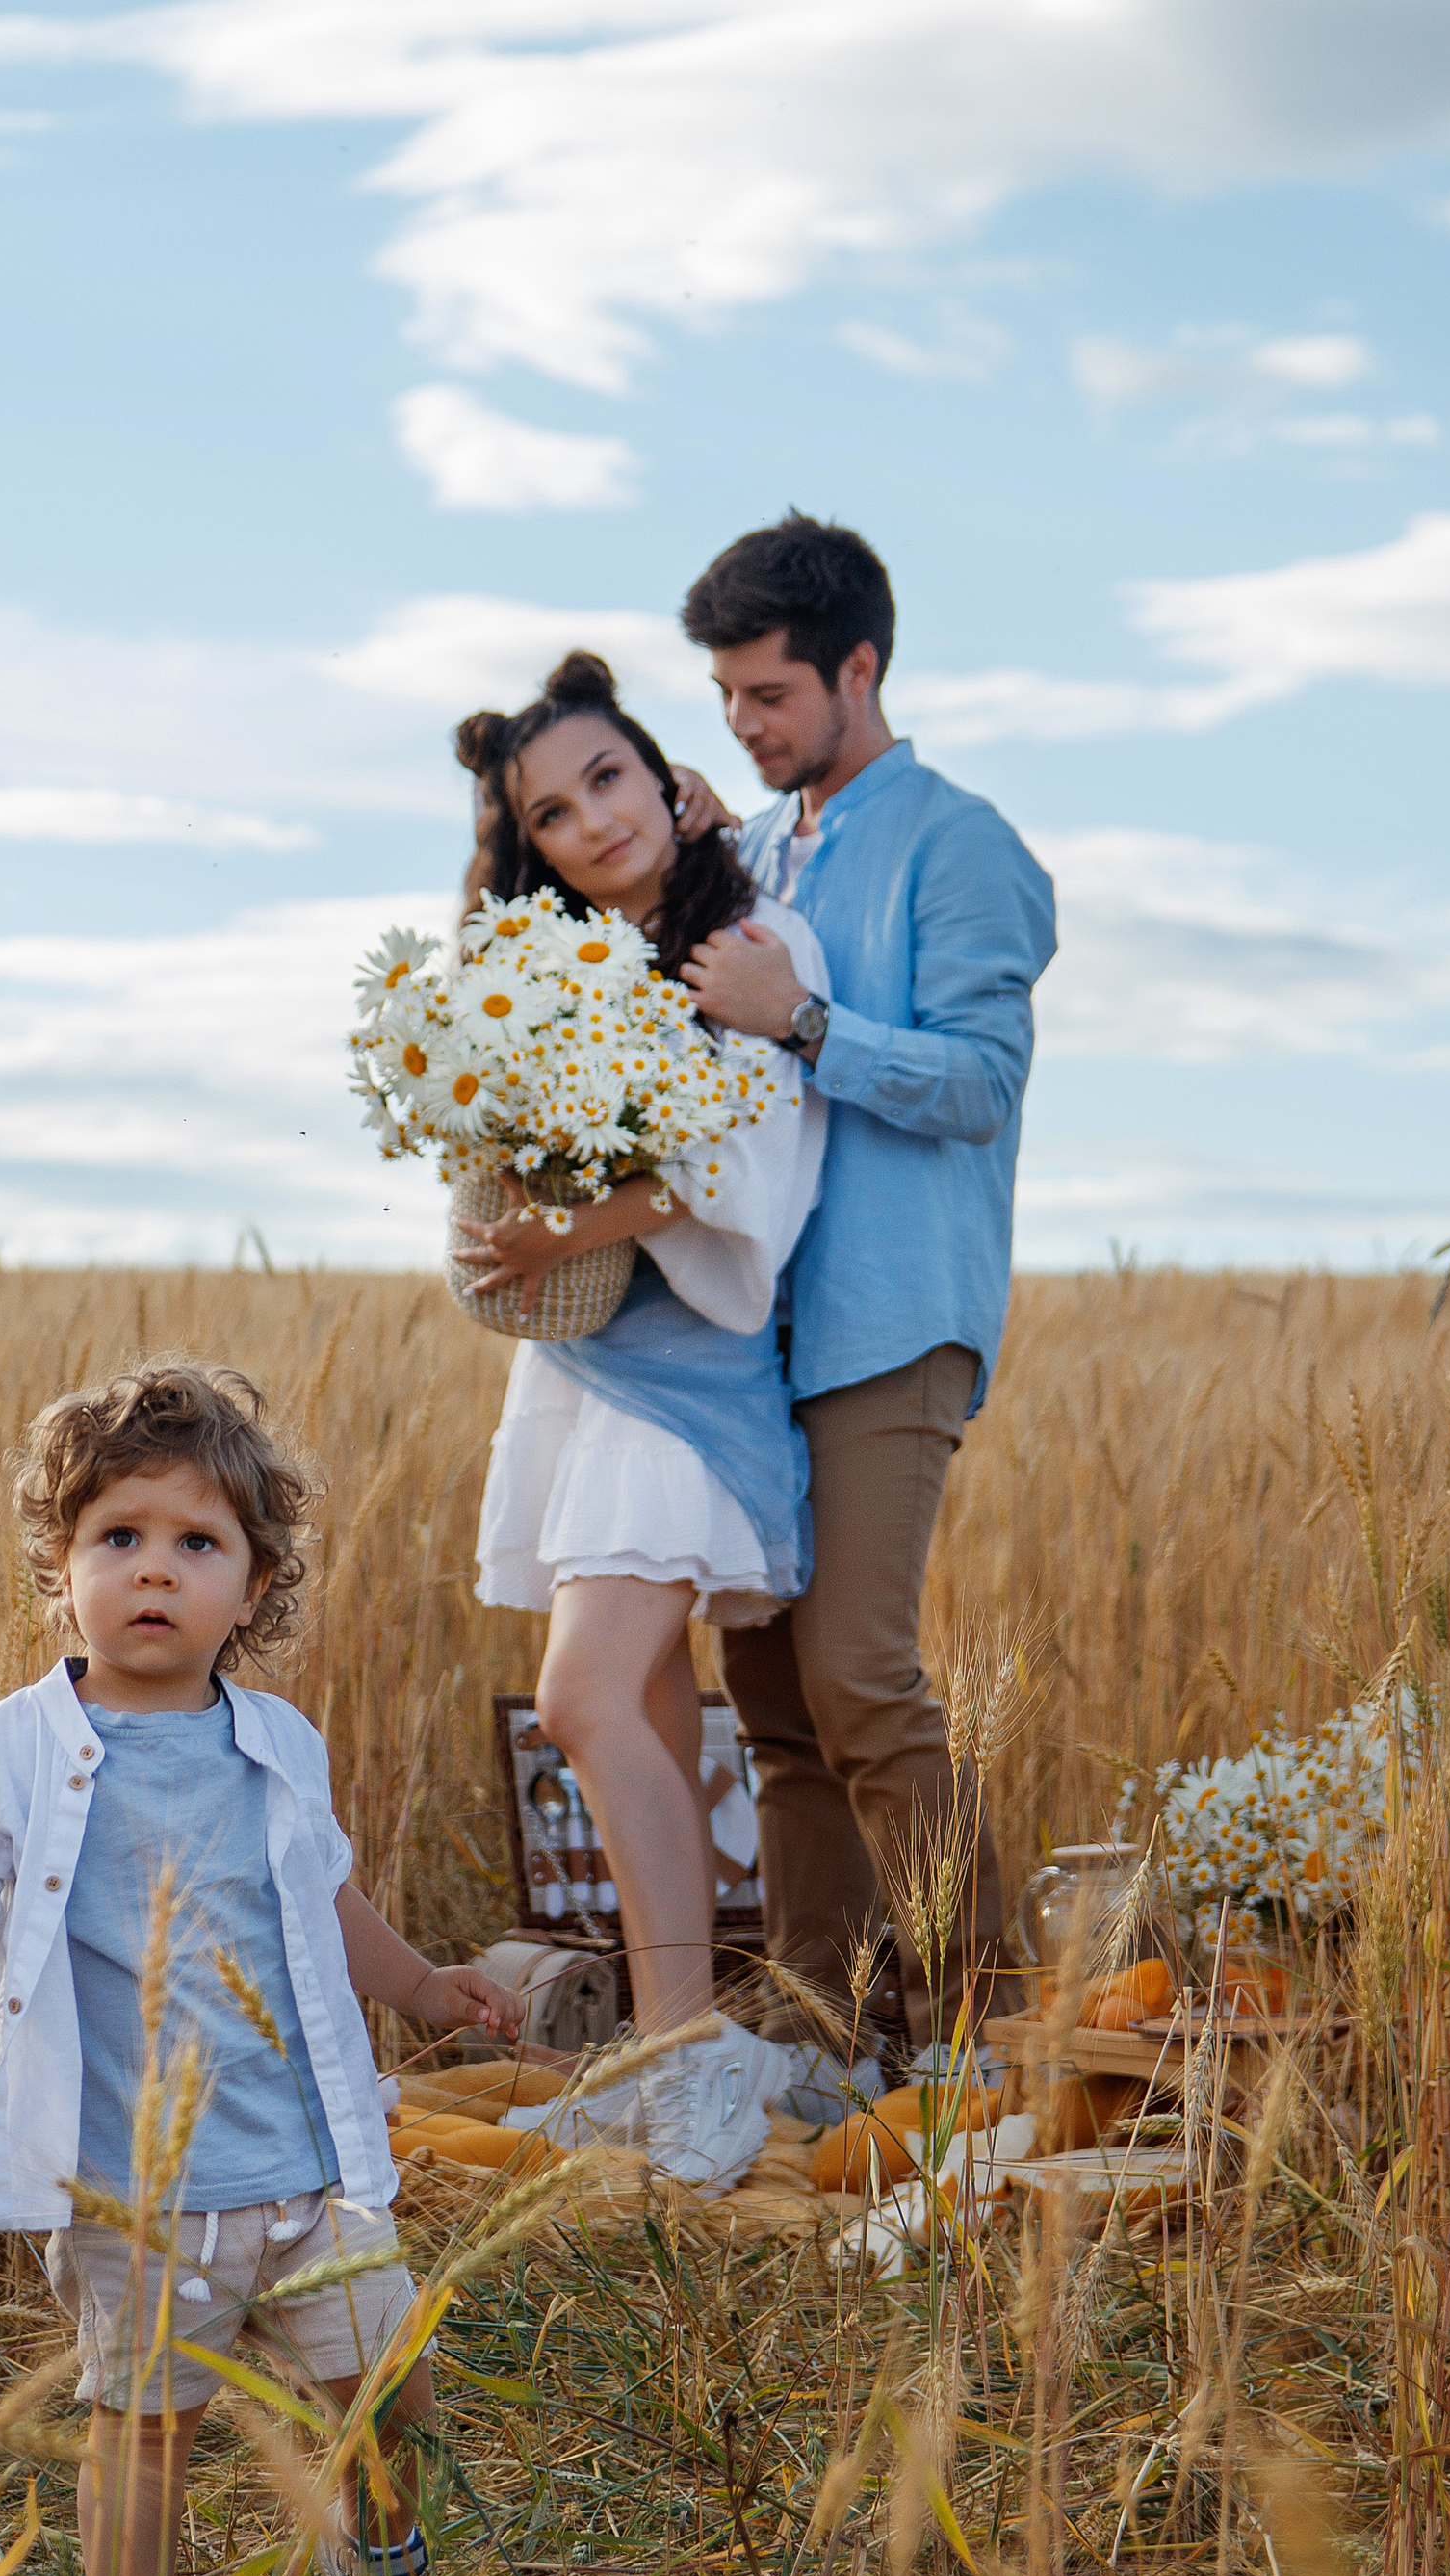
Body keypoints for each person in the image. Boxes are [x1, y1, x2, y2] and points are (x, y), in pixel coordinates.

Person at [0, 1361, 520, 2576]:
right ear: (63, 1569)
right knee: (145, 2430)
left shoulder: (275, 1743)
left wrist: (419, 1988)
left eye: (198, 1543)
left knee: (389, 2394)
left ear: (255, 1588)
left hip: (310, 2170)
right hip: (136, 2188)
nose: (155, 1570)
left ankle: (383, 2575)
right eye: (119, 1538)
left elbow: (323, 1898)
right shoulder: (21, 1750)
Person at [675, 513, 1057, 2050]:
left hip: (894, 1317)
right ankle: (820, 2031)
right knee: (772, 1695)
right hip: (749, 1325)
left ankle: (990, 2028)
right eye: (726, 699)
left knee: (858, 1675)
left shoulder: (965, 845)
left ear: (859, 668)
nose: (745, 724)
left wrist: (805, 1021)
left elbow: (980, 1081)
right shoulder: (760, 849)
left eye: (769, 694)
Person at [452, 650, 826, 2067]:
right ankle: (685, 2040)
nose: (592, 820)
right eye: (551, 813)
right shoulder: (559, 972)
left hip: (692, 1376)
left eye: (608, 776)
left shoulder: (751, 940)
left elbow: (742, 1151)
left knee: (582, 1695)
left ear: (663, 776)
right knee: (653, 1711)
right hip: (586, 1369)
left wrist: (567, 1228)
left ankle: (683, 2054)